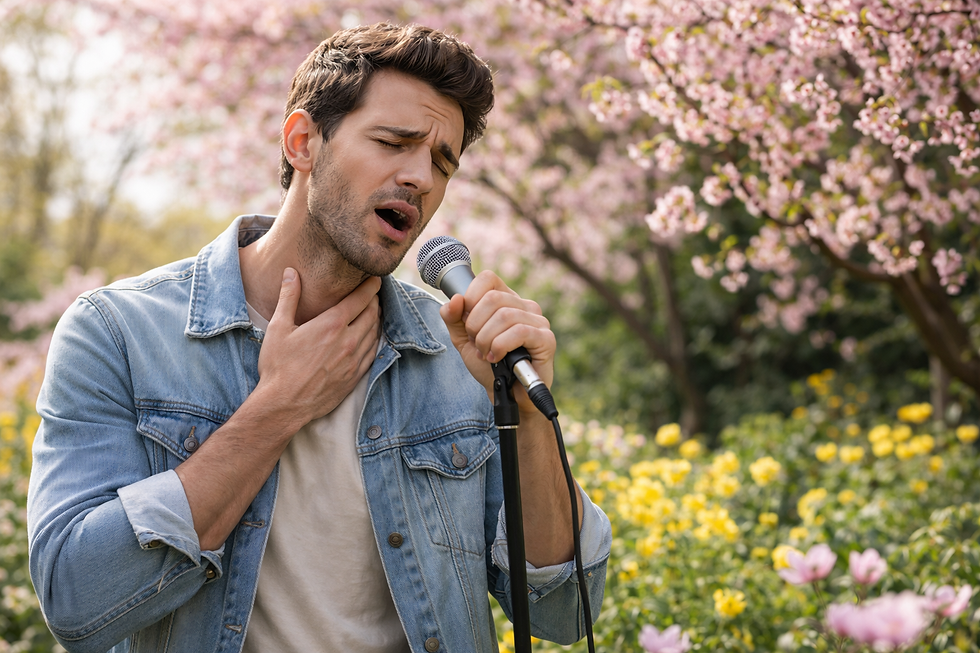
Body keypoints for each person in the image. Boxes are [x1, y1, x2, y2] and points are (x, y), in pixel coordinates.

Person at [27, 22, 611, 653]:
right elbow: (76, 600)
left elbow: (564, 613)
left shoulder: (460, 355)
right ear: (303, 141)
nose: (420, 177)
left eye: (442, 162)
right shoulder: (117, 333)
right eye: (393, 142)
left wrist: (526, 416)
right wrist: (279, 407)